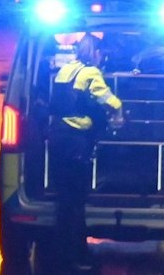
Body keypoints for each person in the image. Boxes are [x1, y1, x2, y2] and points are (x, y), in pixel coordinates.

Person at [48, 33, 125, 262]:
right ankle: (77, 254)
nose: (102, 58)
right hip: (76, 142)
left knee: (64, 200)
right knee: (76, 200)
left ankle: (62, 252)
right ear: (95, 52)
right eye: (101, 53)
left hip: (58, 139)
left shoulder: (67, 69)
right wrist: (119, 111)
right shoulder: (91, 72)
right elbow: (107, 99)